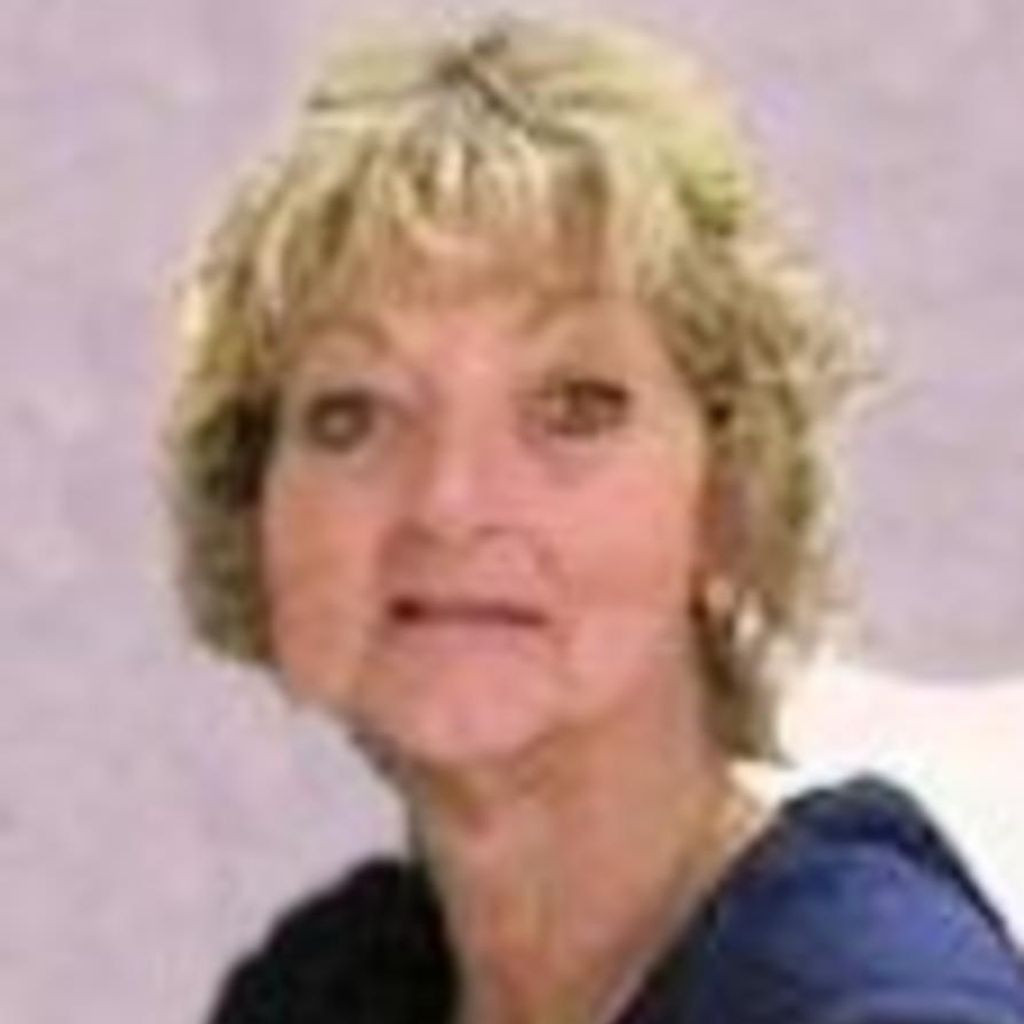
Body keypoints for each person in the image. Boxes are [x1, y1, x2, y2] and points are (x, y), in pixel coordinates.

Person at [165, 14, 1024, 1024]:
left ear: (728, 500)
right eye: (354, 414)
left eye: (574, 407)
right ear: (255, 513)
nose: (449, 502)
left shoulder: (883, 1003)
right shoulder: (333, 989)